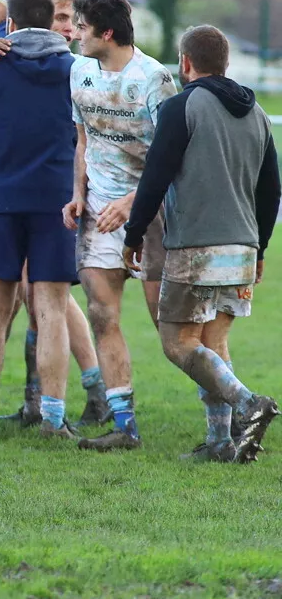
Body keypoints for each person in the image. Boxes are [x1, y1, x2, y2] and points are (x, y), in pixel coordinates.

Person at [0, 0, 108, 427]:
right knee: (51, 306)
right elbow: (91, 140)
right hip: (57, 204)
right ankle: (54, 417)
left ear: (11, 23)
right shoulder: (75, 71)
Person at [123, 25, 280, 463]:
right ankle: (220, 443)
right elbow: (272, 190)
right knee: (211, 341)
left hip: (195, 247)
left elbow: (154, 176)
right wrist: (260, 248)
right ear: (225, 63)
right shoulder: (259, 114)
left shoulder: (181, 106)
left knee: (178, 343)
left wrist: (134, 235)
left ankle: (248, 404)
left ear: (185, 63)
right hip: (244, 247)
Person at [62, 0, 177, 451]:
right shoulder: (79, 69)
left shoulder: (155, 79)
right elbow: (82, 139)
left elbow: (172, 158)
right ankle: (124, 426)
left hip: (151, 214)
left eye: (82, 26)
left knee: (169, 328)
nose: (74, 33)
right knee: (101, 313)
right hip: (97, 213)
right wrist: (78, 193)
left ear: (107, 33)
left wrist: (133, 201)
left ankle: (226, 414)